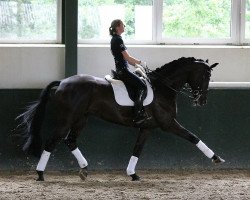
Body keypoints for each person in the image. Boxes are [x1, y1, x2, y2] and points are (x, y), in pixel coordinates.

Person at [109, 19, 149, 125]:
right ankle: (138, 114)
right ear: (118, 27)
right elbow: (128, 57)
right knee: (142, 86)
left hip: (121, 69)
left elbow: (127, 59)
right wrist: (141, 62)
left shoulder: (115, 39)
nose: (124, 26)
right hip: (123, 71)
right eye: (123, 25)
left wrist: (137, 65)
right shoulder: (118, 40)